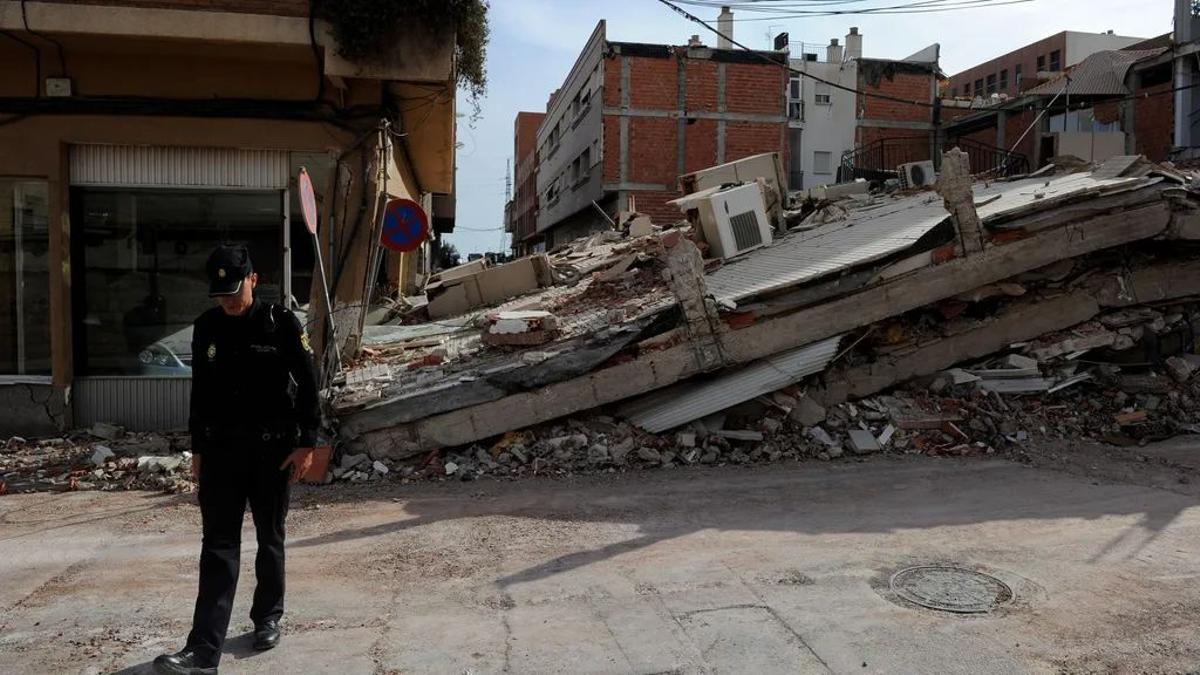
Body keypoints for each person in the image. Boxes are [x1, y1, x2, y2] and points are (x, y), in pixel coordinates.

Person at [155, 244, 320, 675]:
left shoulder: (280, 323)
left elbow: (308, 384)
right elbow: (201, 395)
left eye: (234, 292)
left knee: (270, 539)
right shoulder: (206, 327)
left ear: (253, 280)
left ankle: (267, 617)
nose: (228, 302)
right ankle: (203, 652)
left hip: (272, 452)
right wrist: (198, 451)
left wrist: (306, 443)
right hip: (223, 454)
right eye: (220, 295)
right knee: (218, 549)